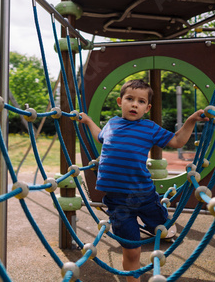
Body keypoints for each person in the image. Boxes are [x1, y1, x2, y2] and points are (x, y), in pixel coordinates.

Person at [77, 79, 207, 282]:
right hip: (117, 202)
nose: (134, 104)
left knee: (162, 227)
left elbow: (177, 141)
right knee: (131, 251)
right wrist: (88, 122)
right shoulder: (112, 123)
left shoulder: (149, 128)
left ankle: (157, 224)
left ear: (147, 108)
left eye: (140, 101)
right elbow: (100, 137)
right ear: (120, 102)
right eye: (130, 99)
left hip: (144, 195)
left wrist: (190, 120)